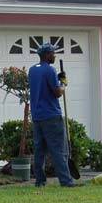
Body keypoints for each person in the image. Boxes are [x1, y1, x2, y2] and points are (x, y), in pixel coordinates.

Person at [27, 43, 76, 187]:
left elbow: (42, 86)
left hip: (37, 116)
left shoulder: (32, 70)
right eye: (53, 53)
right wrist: (63, 83)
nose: (55, 56)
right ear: (47, 54)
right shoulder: (50, 70)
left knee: (39, 150)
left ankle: (40, 181)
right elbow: (57, 92)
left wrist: (57, 79)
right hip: (51, 115)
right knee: (58, 149)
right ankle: (66, 182)